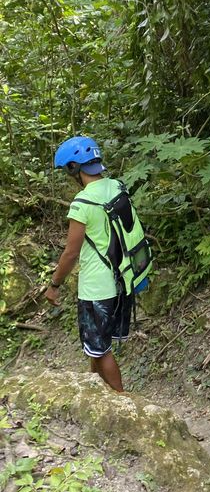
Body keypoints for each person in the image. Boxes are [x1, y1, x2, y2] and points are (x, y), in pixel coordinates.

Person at [45, 136, 149, 393]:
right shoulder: (117, 186)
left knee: (102, 351)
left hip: (96, 289)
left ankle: (123, 403)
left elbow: (70, 253)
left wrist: (54, 284)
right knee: (97, 345)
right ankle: (95, 390)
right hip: (122, 279)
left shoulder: (82, 204)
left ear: (73, 168)